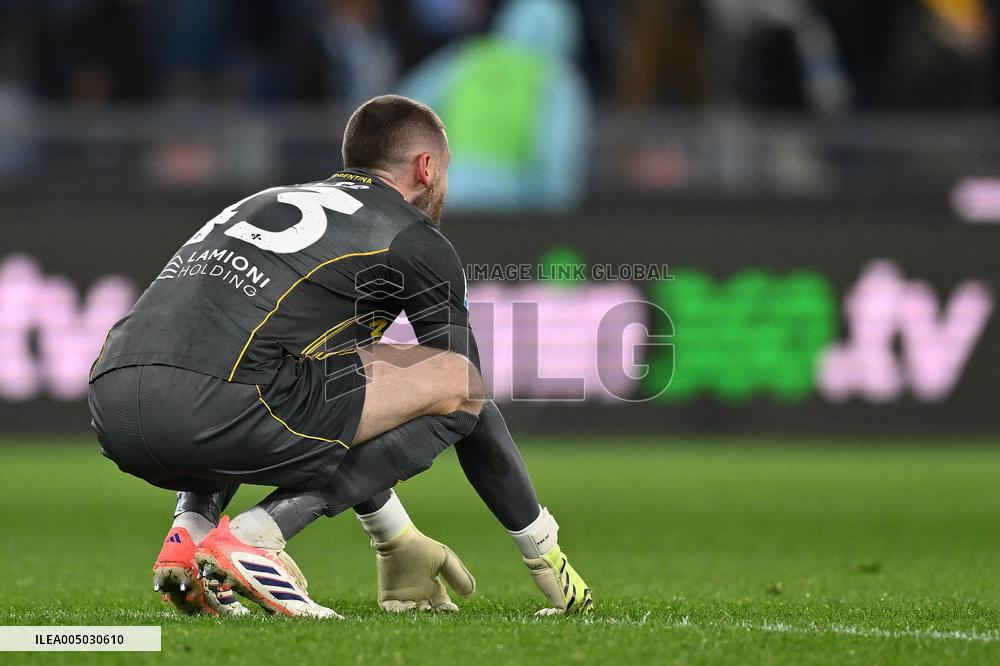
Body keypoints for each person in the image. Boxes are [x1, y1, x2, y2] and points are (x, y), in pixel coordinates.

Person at [89, 94, 592, 618]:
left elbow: (351, 414)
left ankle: (187, 539)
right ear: (427, 168)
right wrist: (544, 551)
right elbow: (465, 396)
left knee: (255, 357)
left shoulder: (266, 198)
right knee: (453, 382)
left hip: (113, 403)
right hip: (213, 406)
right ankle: (260, 537)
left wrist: (395, 537)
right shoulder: (412, 237)